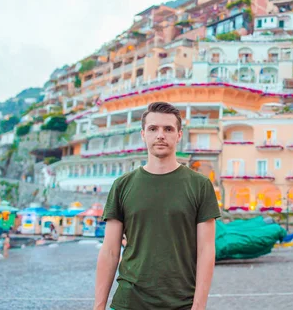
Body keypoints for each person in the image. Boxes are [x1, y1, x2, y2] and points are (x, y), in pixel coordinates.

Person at [94, 102, 220, 310]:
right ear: (143, 134)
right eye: (153, 129)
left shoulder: (200, 185)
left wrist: (198, 306)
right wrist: (98, 306)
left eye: (168, 129)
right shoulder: (122, 185)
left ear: (179, 135)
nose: (160, 135)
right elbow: (109, 250)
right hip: (128, 301)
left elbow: (206, 250)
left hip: (181, 303)